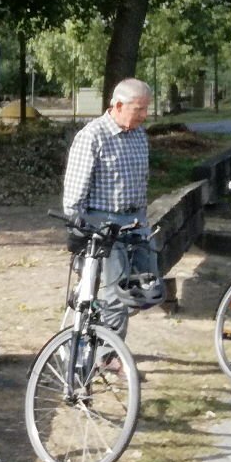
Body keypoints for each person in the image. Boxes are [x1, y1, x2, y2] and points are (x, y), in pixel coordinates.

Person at [62, 78, 162, 340]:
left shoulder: (139, 135)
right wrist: (80, 231)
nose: (144, 115)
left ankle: (100, 330)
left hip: (136, 221)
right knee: (115, 294)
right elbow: (74, 195)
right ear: (118, 105)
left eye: (146, 108)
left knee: (147, 288)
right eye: (139, 109)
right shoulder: (92, 136)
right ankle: (108, 354)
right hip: (105, 223)